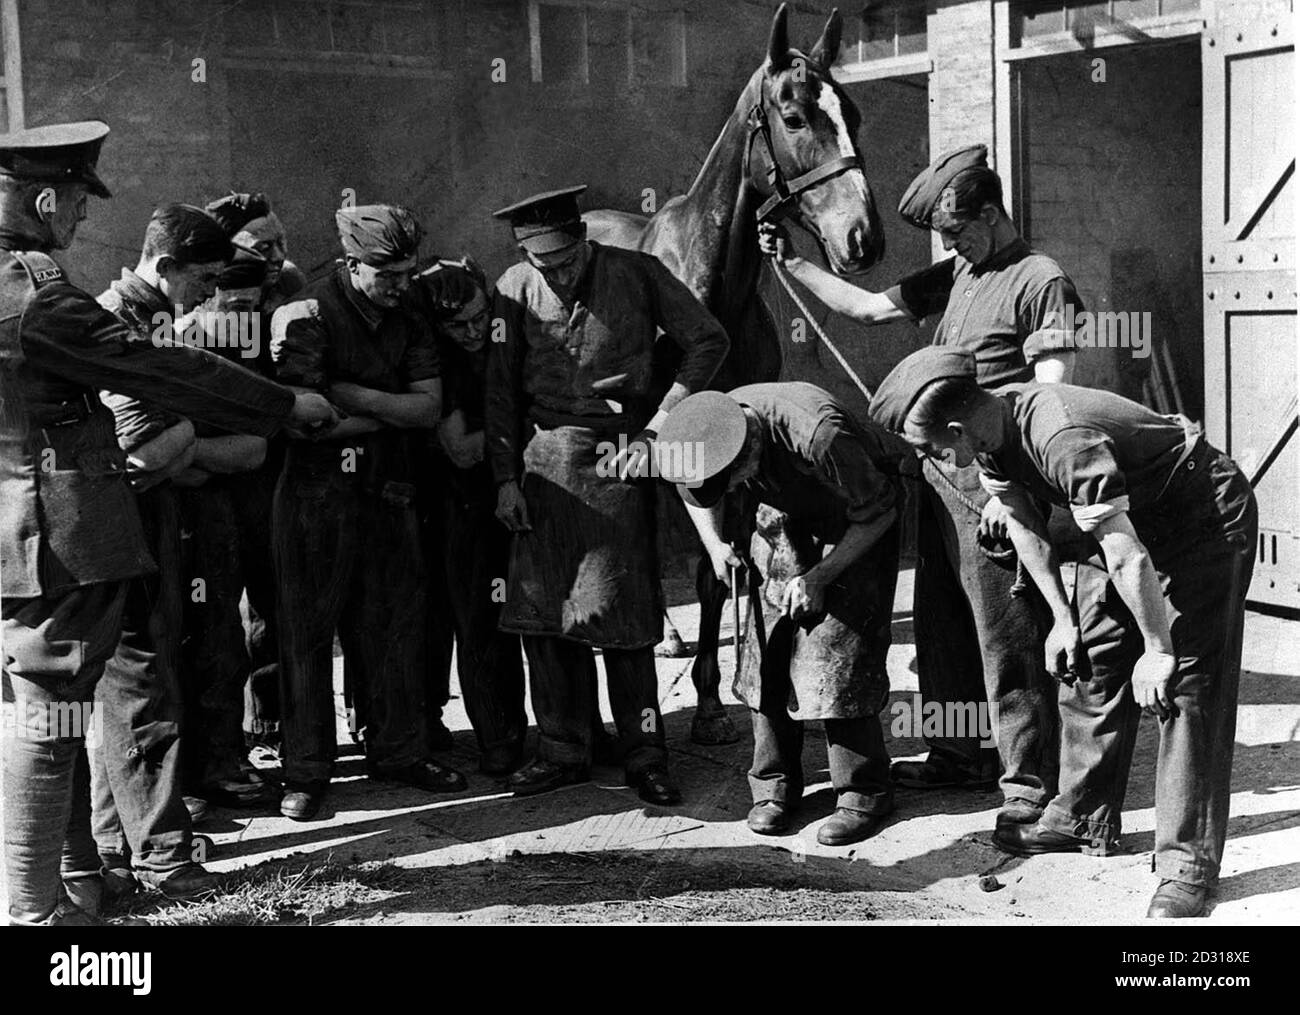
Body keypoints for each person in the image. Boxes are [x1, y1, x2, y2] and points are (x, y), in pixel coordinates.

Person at [0, 121, 337, 926]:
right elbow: (154, 365)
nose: (82, 219)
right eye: (79, 201)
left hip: (24, 530)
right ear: (47, 199)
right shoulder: (32, 292)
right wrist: (282, 403)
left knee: (63, 707)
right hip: (55, 534)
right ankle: (31, 911)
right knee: (48, 712)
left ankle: (77, 884)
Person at [871, 346, 1257, 918]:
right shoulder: (991, 435)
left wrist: (1156, 648)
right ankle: (1080, 818)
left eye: (931, 447)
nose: (931, 458)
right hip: (1130, 522)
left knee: (1183, 685)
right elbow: (1025, 523)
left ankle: (1187, 867)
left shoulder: (1061, 438)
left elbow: (1127, 560)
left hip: (1200, 516)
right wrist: (1061, 619)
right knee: (1091, 655)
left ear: (955, 428)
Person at [761, 144, 1080, 831]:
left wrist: (1009, 494)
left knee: (1008, 631)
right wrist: (796, 263)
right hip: (938, 471)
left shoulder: (1039, 277)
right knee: (940, 626)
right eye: (945, 237)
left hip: (996, 481)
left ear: (991, 213)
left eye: (960, 231)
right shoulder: (961, 270)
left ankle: (1027, 780)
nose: (953, 245)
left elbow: (1053, 389)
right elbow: (873, 308)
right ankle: (959, 750)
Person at [486, 185, 729, 803]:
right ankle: (562, 749)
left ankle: (646, 752)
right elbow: (498, 393)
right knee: (547, 620)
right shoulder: (513, 288)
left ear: (584, 240)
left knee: (627, 622)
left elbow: (708, 340)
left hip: (619, 459)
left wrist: (660, 421)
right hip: (541, 469)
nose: (558, 272)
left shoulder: (638, 273)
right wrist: (504, 479)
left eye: (567, 259)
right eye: (545, 263)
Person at [270, 203, 465, 821]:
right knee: (306, 635)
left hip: (388, 491)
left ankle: (398, 751)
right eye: (390, 276)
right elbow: (305, 426)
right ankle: (306, 770)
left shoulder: (408, 310)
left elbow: (429, 410)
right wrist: (387, 410)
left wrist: (351, 397)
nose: (404, 287)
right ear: (352, 265)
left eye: (409, 273)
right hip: (313, 497)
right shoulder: (304, 313)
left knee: (393, 624)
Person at [93, 204, 263, 902]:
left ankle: (116, 845)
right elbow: (136, 455)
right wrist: (189, 427)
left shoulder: (151, 319)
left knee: (125, 691)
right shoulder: (119, 324)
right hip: (121, 527)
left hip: (144, 523)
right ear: (164, 267)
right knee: (142, 688)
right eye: (201, 279)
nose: (207, 295)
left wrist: (178, 442)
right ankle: (163, 856)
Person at [656, 384, 907, 844]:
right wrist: (715, 545)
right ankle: (774, 786)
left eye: (731, 482)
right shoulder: (712, 425)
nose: (727, 491)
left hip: (854, 523)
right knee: (763, 653)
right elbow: (693, 489)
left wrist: (821, 576)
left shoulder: (818, 434)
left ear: (749, 452)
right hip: (778, 520)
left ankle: (863, 791)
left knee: (838, 655)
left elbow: (879, 511)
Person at [174, 250, 280, 815]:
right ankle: (192, 773)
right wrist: (203, 456)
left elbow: (256, 446)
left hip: (237, 508)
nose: (243, 316)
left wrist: (195, 454)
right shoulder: (175, 344)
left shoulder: (251, 348)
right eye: (231, 305)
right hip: (181, 514)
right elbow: (160, 453)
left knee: (234, 637)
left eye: (251, 306)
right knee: (190, 643)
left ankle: (227, 758)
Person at [412, 258, 527, 774]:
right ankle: (496, 738)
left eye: (481, 317)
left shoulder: (502, 337)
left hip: (504, 500)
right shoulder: (442, 363)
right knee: (480, 623)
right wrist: (530, 427)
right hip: (461, 508)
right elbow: (460, 448)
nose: (475, 331)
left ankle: (520, 729)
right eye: (460, 325)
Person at [203, 191, 303, 753]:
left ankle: (273, 725)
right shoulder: (204, 297)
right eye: (261, 244)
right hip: (216, 471)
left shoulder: (286, 286)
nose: (275, 255)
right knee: (216, 611)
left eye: (280, 242)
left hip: (275, 466)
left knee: (274, 600)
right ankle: (222, 747)